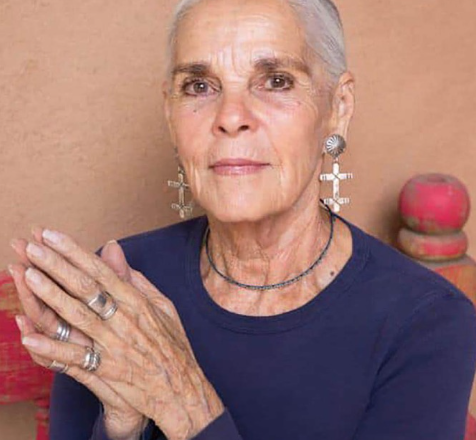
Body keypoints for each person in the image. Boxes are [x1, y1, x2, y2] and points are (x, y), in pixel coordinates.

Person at [7, 0, 476, 439]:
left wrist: (180, 398)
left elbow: (179, 397)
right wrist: (124, 427)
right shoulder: (117, 286)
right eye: (199, 86)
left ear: (338, 108)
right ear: (170, 114)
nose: (231, 117)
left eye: (276, 81)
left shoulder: (427, 323)